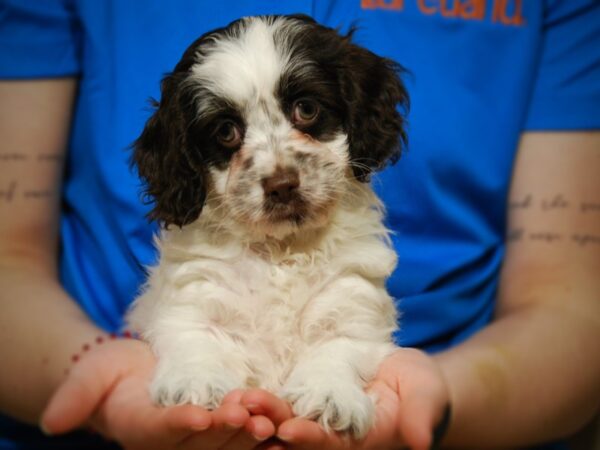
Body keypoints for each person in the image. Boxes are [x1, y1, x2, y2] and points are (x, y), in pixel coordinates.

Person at [0, 0, 599, 449]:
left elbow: (353, 336)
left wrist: (406, 390)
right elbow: (185, 326)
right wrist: (138, 378)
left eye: (306, 111)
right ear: (186, 158)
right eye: (227, 135)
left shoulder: (356, 253)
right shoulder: (198, 263)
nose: (277, 170)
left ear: (353, 109)